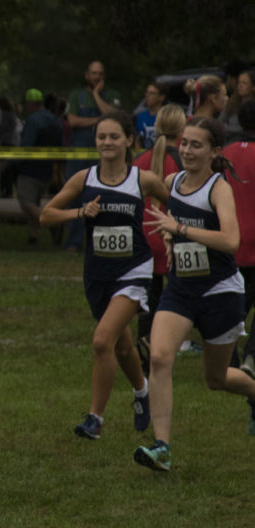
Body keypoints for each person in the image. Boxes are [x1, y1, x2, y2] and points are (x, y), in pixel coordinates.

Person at [134, 117, 255, 472]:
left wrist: (180, 228)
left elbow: (232, 241)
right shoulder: (172, 183)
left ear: (214, 151)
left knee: (216, 379)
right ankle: (162, 448)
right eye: (184, 143)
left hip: (219, 291)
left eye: (196, 145)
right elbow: (168, 218)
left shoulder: (219, 189)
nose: (187, 150)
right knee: (158, 358)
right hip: (182, 289)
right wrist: (173, 238)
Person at [40, 111, 169, 440]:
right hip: (97, 274)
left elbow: (179, 206)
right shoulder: (84, 179)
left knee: (101, 341)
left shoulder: (143, 180)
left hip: (134, 271)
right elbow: (47, 215)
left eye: (114, 137)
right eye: (101, 137)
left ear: (129, 140)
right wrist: (81, 212)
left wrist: (173, 230)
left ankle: (95, 419)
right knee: (122, 347)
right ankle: (141, 393)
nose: (107, 143)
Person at [132, 104, 187, 372]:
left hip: (144, 235)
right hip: (170, 235)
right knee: (177, 295)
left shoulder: (141, 160)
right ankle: (173, 341)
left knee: (149, 298)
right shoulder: (182, 162)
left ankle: (145, 343)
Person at [63, 61, 121, 252]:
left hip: (103, 155)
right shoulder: (76, 95)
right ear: (87, 75)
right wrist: (99, 120)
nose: (96, 77)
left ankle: (99, 241)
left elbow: (114, 118)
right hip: (78, 155)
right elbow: (72, 121)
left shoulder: (112, 96)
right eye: (93, 73)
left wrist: (96, 95)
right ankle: (74, 241)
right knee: (75, 197)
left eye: (100, 74)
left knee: (102, 196)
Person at [223, 101, 255, 375]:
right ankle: (251, 357)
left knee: (237, 300)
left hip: (230, 241)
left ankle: (227, 352)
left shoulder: (225, 154)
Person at [16, 88, 63, 245]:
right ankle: (33, 236)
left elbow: (26, 146)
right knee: (34, 202)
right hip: (48, 170)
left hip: (30, 170)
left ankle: (54, 222)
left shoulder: (33, 120)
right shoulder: (55, 119)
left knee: (26, 203)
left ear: (29, 104)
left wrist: (12, 163)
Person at [221, 69, 254, 143]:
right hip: (230, 144)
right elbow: (219, 123)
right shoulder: (231, 104)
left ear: (253, 87)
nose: (240, 85)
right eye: (239, 82)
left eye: (244, 83)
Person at [134, 81, 167, 149]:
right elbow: (137, 140)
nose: (147, 95)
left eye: (152, 93)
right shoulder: (140, 117)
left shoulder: (167, 117)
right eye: (147, 92)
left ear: (161, 97)